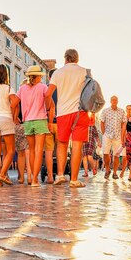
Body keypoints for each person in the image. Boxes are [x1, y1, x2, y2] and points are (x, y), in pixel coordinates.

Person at [45, 49, 91, 188]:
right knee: (77, 145)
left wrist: (48, 108)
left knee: (62, 144)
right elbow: (91, 92)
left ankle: (59, 175)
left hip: (62, 112)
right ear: (77, 59)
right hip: (80, 112)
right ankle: (74, 179)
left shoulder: (58, 73)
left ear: (65, 59)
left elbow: (48, 94)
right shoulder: (85, 72)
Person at [17, 65, 51, 187]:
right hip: (40, 120)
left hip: (27, 122)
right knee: (38, 151)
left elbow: (14, 103)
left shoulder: (22, 88)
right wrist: (47, 108)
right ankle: (35, 180)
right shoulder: (43, 87)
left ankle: (32, 176)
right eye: (40, 76)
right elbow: (48, 99)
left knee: (31, 150)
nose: (41, 79)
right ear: (37, 77)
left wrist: (15, 117)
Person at [100, 96, 126, 180]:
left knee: (117, 155)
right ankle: (107, 169)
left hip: (117, 136)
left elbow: (123, 124)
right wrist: (104, 133)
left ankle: (114, 172)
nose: (114, 101)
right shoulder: (105, 111)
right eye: (113, 100)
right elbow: (102, 122)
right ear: (110, 101)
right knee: (105, 153)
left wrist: (122, 137)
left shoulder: (122, 111)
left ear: (117, 101)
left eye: (116, 100)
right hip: (107, 135)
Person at [82, 113, 100, 177]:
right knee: (84, 157)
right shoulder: (83, 124)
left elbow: (96, 135)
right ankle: (86, 172)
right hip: (83, 141)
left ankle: (93, 168)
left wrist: (99, 142)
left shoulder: (93, 126)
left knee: (89, 156)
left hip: (91, 142)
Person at [119, 104, 131, 178]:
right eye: (127, 109)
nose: (128, 110)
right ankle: (123, 171)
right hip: (125, 139)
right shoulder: (123, 119)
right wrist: (122, 139)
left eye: (130, 109)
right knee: (124, 157)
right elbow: (122, 130)